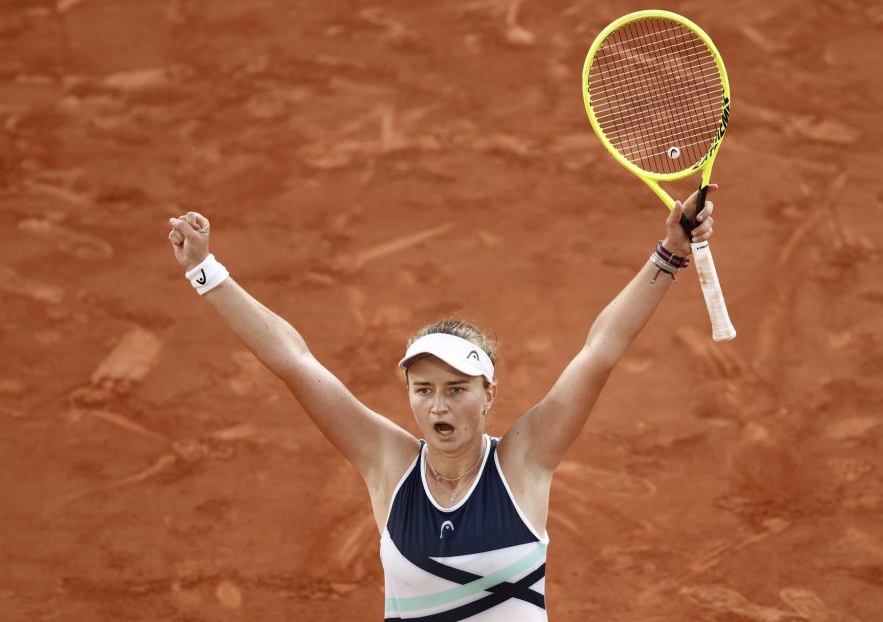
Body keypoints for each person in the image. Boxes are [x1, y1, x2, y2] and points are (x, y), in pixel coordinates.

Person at [167, 188, 717, 621]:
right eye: (423, 390)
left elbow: (600, 352)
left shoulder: (524, 463)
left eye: (457, 390)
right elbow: (295, 361)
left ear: (488, 396)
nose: (438, 407)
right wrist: (205, 270)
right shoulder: (388, 465)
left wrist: (669, 253)